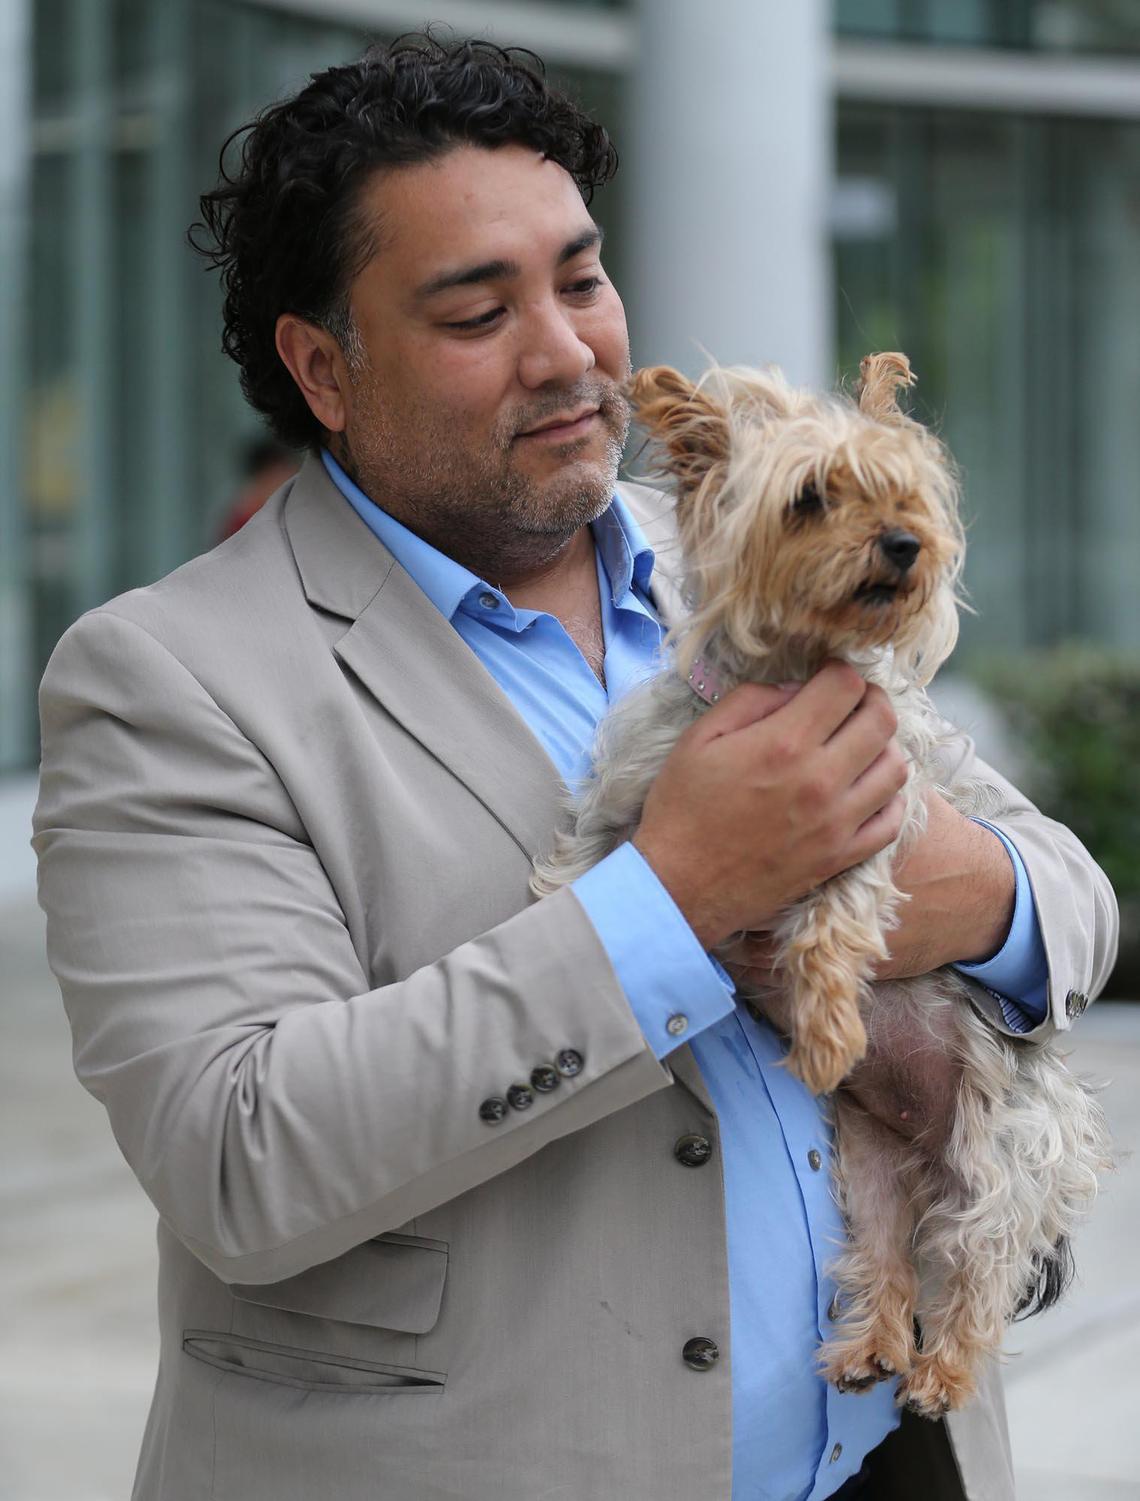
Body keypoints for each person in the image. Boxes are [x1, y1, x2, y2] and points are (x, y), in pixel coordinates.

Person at [33, 37, 1116, 1501]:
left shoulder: (748, 557)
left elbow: (1071, 899)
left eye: (584, 280)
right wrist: (675, 897)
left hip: (896, 1461)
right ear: (322, 369)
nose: (565, 352)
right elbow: (242, 1160)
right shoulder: (167, 676)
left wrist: (967, 890)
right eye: (478, 311)